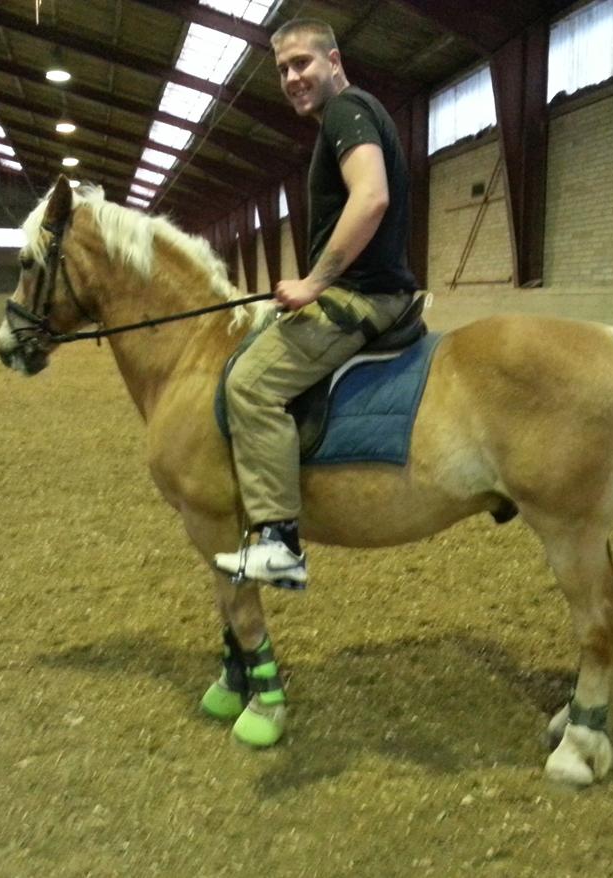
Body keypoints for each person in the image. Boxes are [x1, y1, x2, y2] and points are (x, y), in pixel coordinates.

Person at [214, 18, 417, 589]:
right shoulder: (352, 114)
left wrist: (313, 283)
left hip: (364, 294)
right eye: (282, 69)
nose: (292, 77)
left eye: (302, 63)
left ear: (333, 61)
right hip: (370, 287)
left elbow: (371, 197)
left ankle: (279, 541)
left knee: (250, 384)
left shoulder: (346, 113)